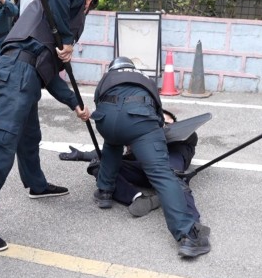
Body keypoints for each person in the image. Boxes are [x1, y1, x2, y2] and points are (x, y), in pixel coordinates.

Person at [0, 0, 98, 251]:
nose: (86, 6)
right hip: (18, 71)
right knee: (1, 147)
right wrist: (66, 39)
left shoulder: (49, 29)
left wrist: (75, 103)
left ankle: (37, 185)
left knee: (29, 138)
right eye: (88, 1)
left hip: (28, 74)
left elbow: (49, 75)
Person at [89, 56, 210, 258]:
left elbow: (98, 103)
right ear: (131, 67)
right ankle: (188, 235)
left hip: (105, 120)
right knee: (161, 173)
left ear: (113, 68)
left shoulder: (106, 78)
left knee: (112, 144)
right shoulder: (144, 79)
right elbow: (157, 113)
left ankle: (104, 193)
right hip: (139, 121)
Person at [60, 110, 201, 219]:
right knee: (100, 165)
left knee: (176, 182)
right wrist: (82, 155)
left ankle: (192, 227)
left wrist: (157, 131)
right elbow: (110, 153)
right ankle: (138, 198)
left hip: (168, 172)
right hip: (142, 170)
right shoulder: (140, 138)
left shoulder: (185, 138)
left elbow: (189, 135)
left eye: (163, 119)